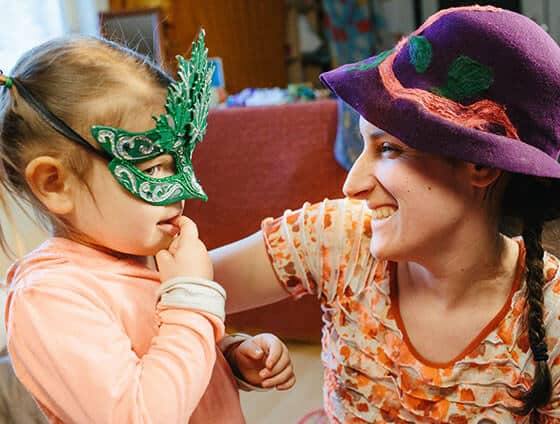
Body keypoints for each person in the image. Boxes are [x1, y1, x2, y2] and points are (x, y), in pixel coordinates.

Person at [212, 6, 560, 422]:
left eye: (389, 149)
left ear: (480, 165)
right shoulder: (337, 239)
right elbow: (161, 291)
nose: (351, 184)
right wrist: (226, 347)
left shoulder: (551, 319)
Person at [0, 31, 295, 423]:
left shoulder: (138, 256)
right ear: (55, 184)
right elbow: (141, 415)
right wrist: (191, 298)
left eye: (180, 163)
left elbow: (164, 361)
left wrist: (228, 357)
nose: (185, 188)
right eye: (153, 168)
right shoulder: (50, 299)